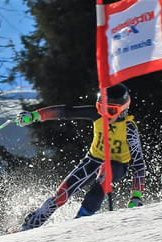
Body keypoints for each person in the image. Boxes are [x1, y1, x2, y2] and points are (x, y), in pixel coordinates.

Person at [16, 83, 146, 230]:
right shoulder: (97, 115)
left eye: (109, 110)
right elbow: (67, 112)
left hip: (117, 165)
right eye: (100, 108)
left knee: (103, 175)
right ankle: (29, 225)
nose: (104, 114)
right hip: (93, 160)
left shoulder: (129, 129)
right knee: (61, 193)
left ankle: (81, 222)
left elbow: (138, 164)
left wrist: (136, 196)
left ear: (122, 111)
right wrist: (35, 115)